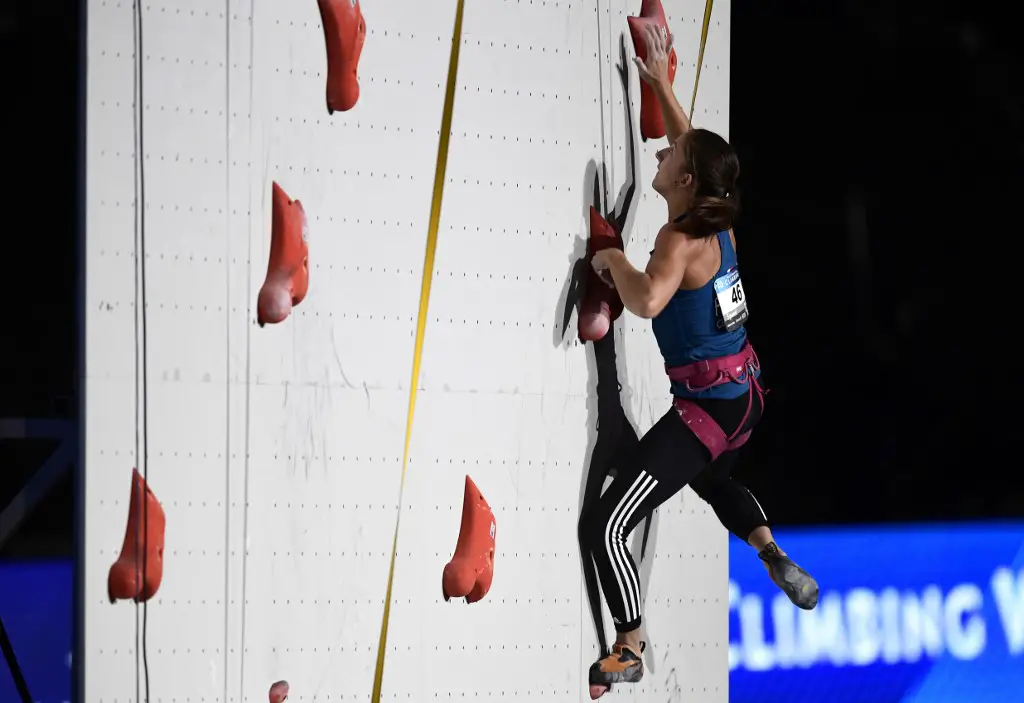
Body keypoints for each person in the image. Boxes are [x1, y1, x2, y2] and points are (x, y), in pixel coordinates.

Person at [582, 24, 819, 688]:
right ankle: (768, 547)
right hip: (746, 396)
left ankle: (628, 644)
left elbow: (648, 301)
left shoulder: (677, 237)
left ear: (683, 181)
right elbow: (697, 154)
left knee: (608, 525)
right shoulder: (719, 216)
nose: (660, 145)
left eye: (669, 152)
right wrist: (660, 80)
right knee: (709, 477)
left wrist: (609, 257)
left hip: (709, 409)